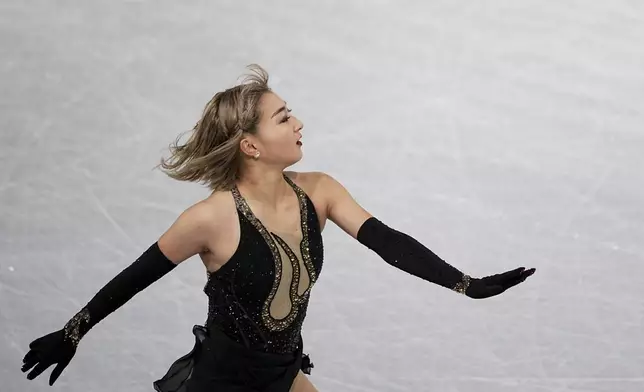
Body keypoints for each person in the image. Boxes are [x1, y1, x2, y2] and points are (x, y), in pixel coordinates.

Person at [21, 64, 536, 391]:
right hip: (221, 383)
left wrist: (463, 284)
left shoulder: (319, 190)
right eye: (284, 117)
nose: (299, 124)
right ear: (251, 144)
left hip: (281, 374)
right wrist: (72, 333)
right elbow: (134, 277)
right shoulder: (210, 218)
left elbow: (388, 242)